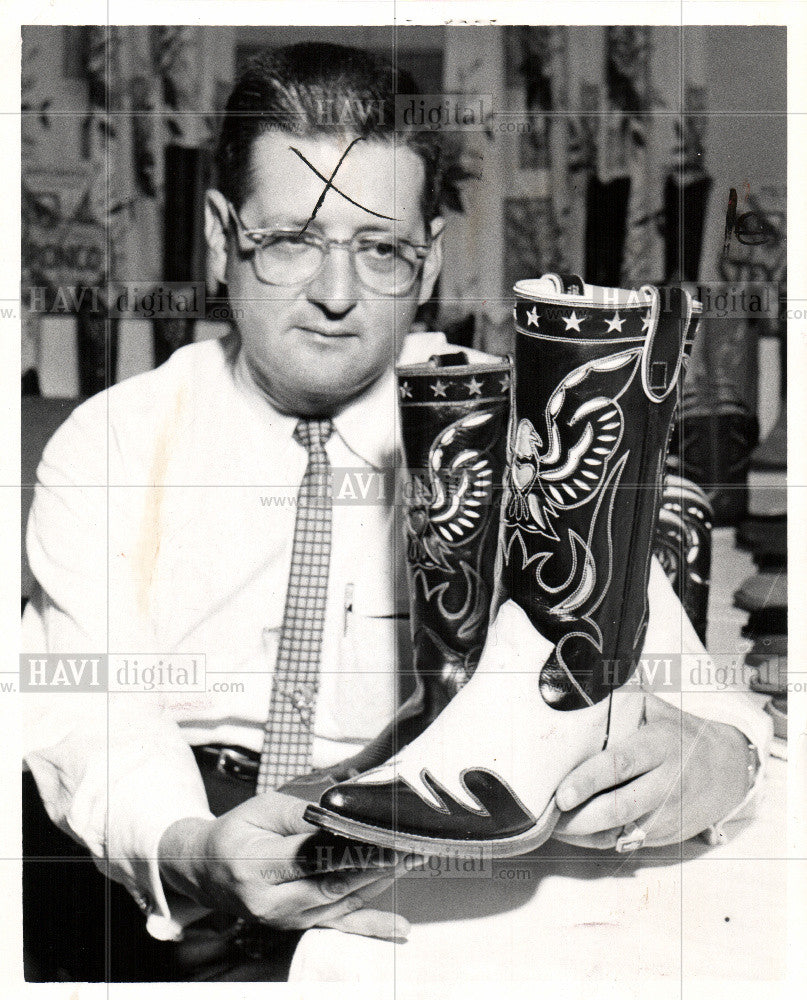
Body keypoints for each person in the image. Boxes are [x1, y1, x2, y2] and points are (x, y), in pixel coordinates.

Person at [22, 42, 771, 982]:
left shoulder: (518, 434)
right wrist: (189, 849)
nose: (337, 296)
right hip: (163, 890)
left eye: (379, 249)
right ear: (221, 235)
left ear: (430, 260)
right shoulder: (112, 443)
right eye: (292, 239)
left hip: (420, 899)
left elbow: (696, 698)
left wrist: (718, 765)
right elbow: (87, 710)